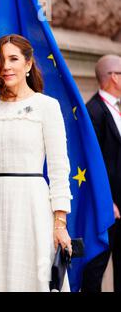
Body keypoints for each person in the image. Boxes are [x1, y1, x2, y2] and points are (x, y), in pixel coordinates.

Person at [0, 34, 73, 291]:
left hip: (34, 208)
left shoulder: (47, 106)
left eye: (13, 59)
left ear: (28, 64)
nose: (5, 66)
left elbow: (60, 168)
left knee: (36, 280)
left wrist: (59, 223)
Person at [83, 54, 121, 292]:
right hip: (108, 208)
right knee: (96, 269)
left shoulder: (116, 108)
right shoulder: (93, 111)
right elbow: (93, 162)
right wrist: (108, 202)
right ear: (114, 77)